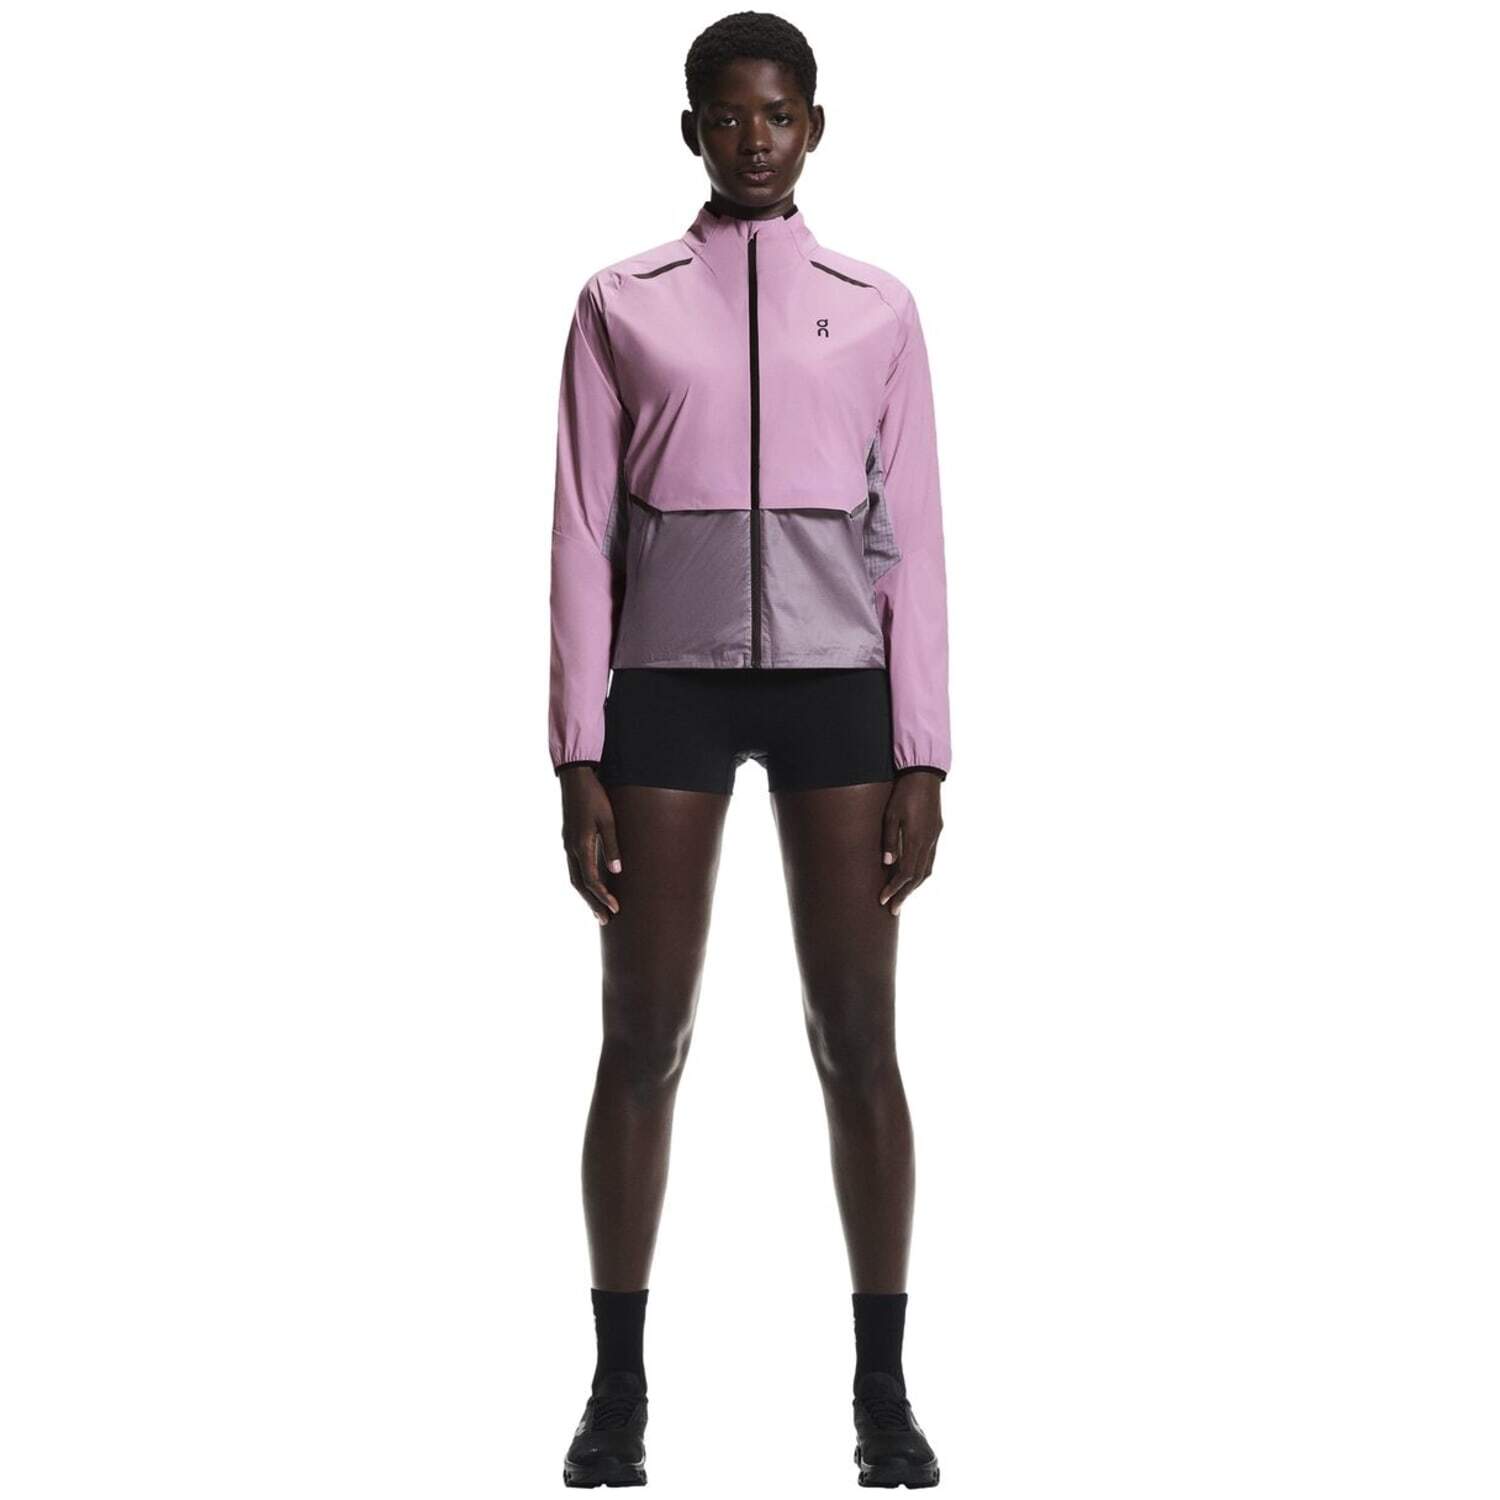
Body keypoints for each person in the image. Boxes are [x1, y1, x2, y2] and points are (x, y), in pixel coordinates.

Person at [551, 12, 949, 1488]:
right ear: (692, 132)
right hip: (666, 688)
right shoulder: (621, 302)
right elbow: (580, 528)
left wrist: (925, 751)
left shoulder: (881, 308)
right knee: (643, 1037)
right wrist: (575, 750)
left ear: (815, 126)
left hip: (840, 689)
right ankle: (616, 1393)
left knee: (857, 1040)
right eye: (728, 116)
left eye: (779, 114)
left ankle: (883, 1394)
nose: (755, 139)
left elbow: (915, 537)